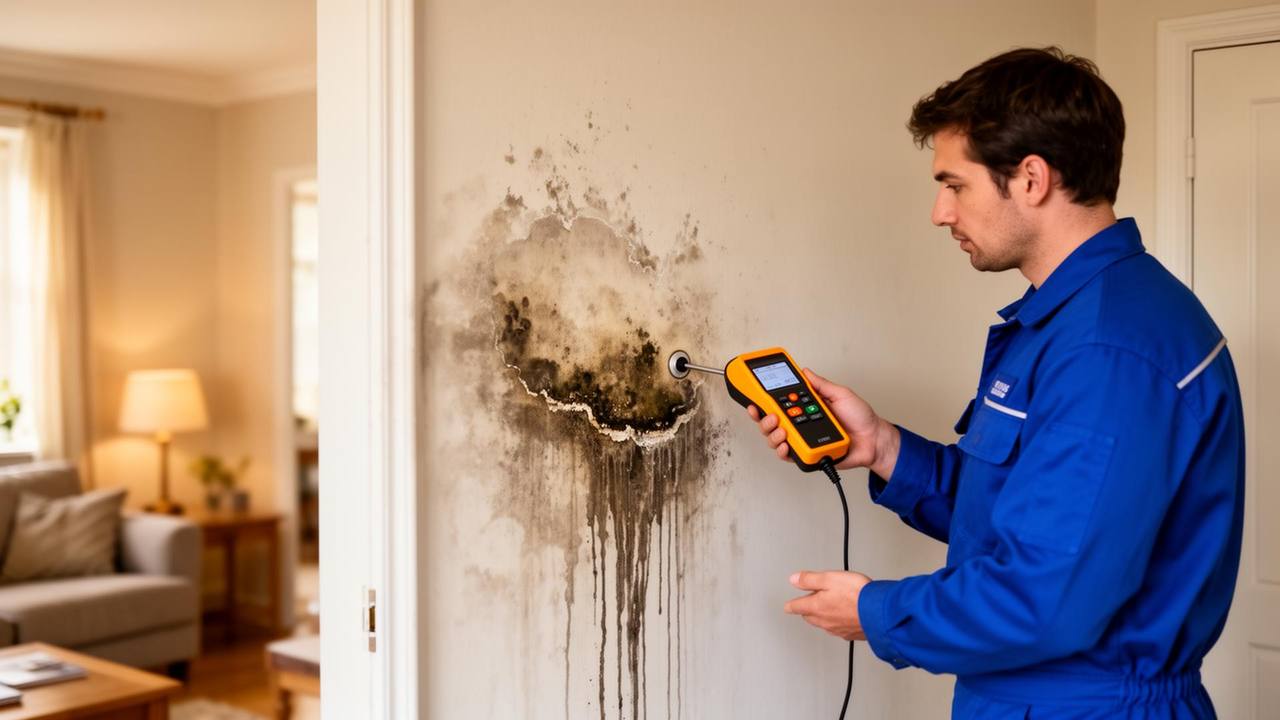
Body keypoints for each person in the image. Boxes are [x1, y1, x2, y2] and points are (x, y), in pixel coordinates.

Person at [748, 47, 1245, 719]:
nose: (940, 212)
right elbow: (1028, 517)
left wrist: (874, 610)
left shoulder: (1108, 349)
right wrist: (884, 448)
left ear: (1032, 179)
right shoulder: (1072, 320)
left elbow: (1046, 599)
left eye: (956, 185)